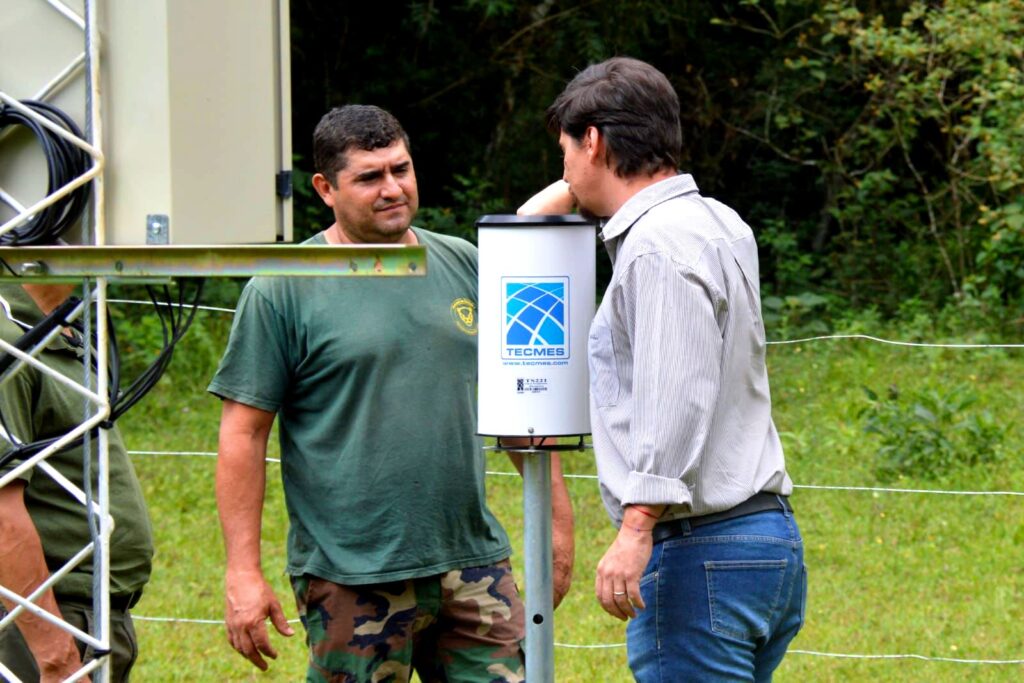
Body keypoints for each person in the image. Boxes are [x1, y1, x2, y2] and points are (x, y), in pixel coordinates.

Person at [209, 104, 574, 682]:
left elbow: (519, 405)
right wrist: (242, 573)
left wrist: (556, 524)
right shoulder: (283, 287)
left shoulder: (463, 263)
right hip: (352, 574)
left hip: (471, 562)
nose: (392, 189)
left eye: (400, 169)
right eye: (369, 177)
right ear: (325, 188)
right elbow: (243, 433)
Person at [519, 57, 806, 681]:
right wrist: (584, 182)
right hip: (765, 540)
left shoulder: (655, 247)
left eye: (565, 153)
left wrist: (637, 526)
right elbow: (526, 231)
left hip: (698, 551)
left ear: (592, 141)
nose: (564, 173)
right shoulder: (718, 221)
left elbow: (677, 394)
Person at [0, 282, 154, 682]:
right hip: (44, 622)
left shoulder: (65, 330)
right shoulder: (8, 342)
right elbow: (0, 515)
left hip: (90, 614)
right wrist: (57, 656)